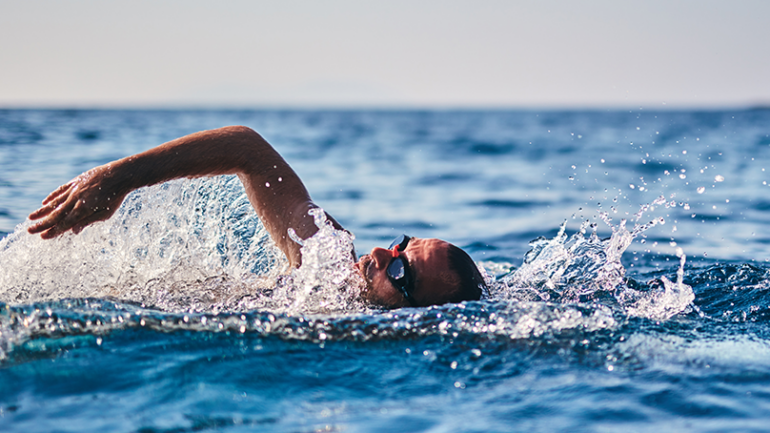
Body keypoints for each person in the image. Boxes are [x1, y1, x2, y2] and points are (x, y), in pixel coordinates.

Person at [26, 126, 486, 308]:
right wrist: (119, 179)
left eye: (402, 271)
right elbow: (246, 149)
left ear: (412, 318)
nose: (384, 253)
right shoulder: (324, 256)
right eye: (402, 245)